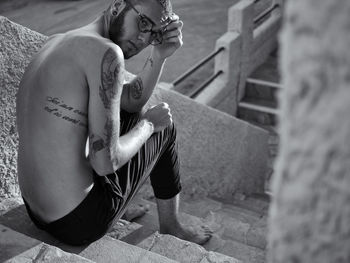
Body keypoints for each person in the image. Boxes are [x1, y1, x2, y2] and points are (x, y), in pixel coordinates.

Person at [16, 0, 212, 246]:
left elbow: (129, 101)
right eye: (142, 22)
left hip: (35, 211)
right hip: (79, 222)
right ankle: (172, 227)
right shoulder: (107, 52)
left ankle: (122, 205)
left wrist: (159, 55)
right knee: (163, 127)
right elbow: (105, 163)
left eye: (153, 34)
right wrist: (149, 126)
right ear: (118, 4)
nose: (143, 39)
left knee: (131, 116)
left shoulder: (58, 40)